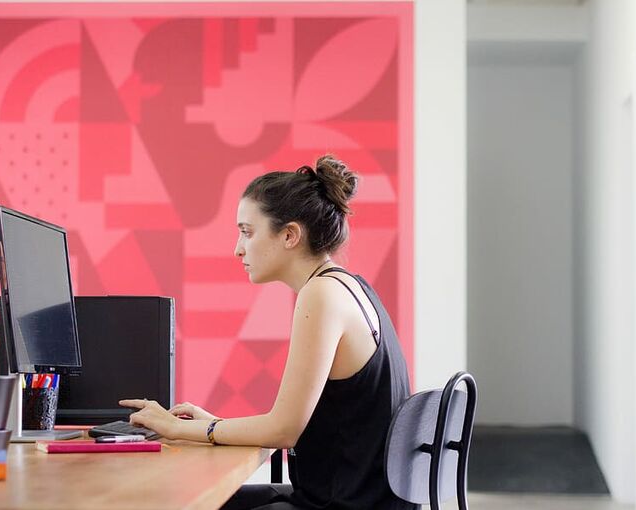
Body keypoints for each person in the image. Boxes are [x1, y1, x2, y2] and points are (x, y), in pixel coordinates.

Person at [119, 155, 415, 510]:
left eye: (247, 232)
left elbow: (284, 431)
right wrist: (215, 424)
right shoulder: (348, 286)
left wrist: (178, 428)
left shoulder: (320, 294)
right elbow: (300, 422)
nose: (238, 248)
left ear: (290, 235)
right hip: (351, 497)